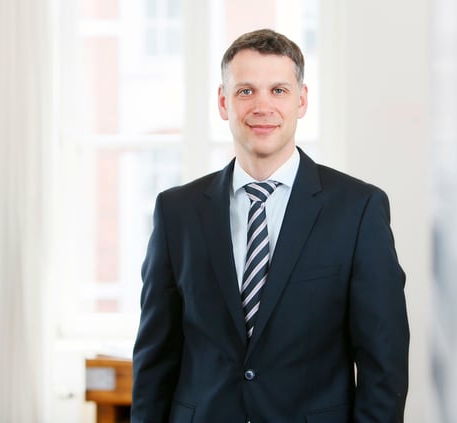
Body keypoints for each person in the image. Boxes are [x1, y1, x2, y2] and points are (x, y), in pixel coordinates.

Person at [131, 28, 409, 423]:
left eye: (278, 90)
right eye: (246, 91)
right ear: (223, 102)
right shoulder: (177, 212)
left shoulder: (358, 209)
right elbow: (155, 359)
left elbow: (384, 362)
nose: (262, 106)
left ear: (302, 100)